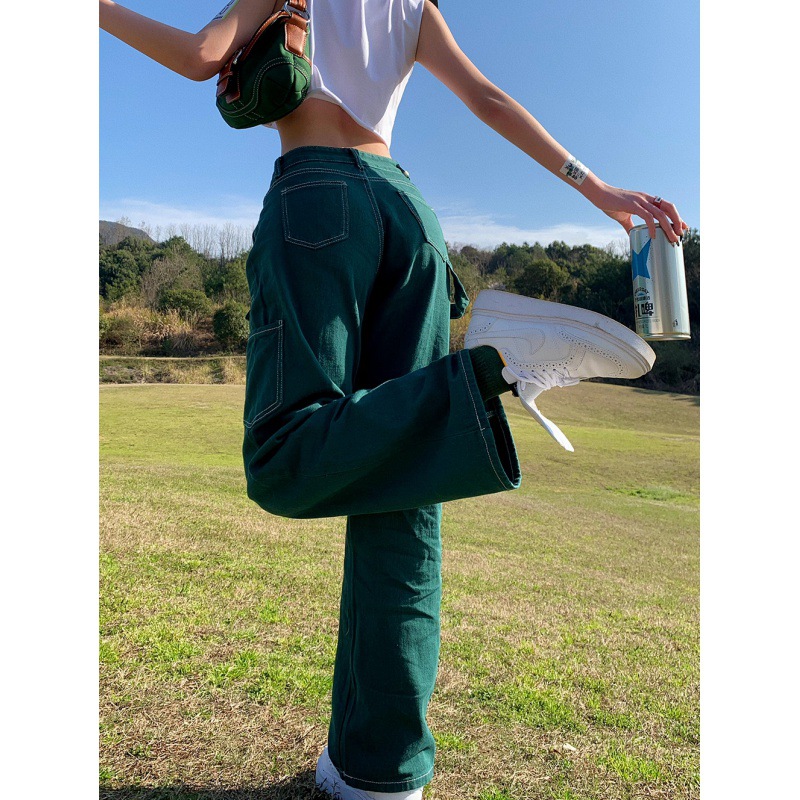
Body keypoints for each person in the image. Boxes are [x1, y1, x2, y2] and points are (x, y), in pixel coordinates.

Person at [99, 1, 689, 798]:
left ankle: (486, 369)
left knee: (282, 455)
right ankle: (379, 772)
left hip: (319, 199)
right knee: (404, 494)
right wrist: (600, 190)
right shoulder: (415, 5)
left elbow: (201, 55)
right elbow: (488, 99)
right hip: (408, 216)